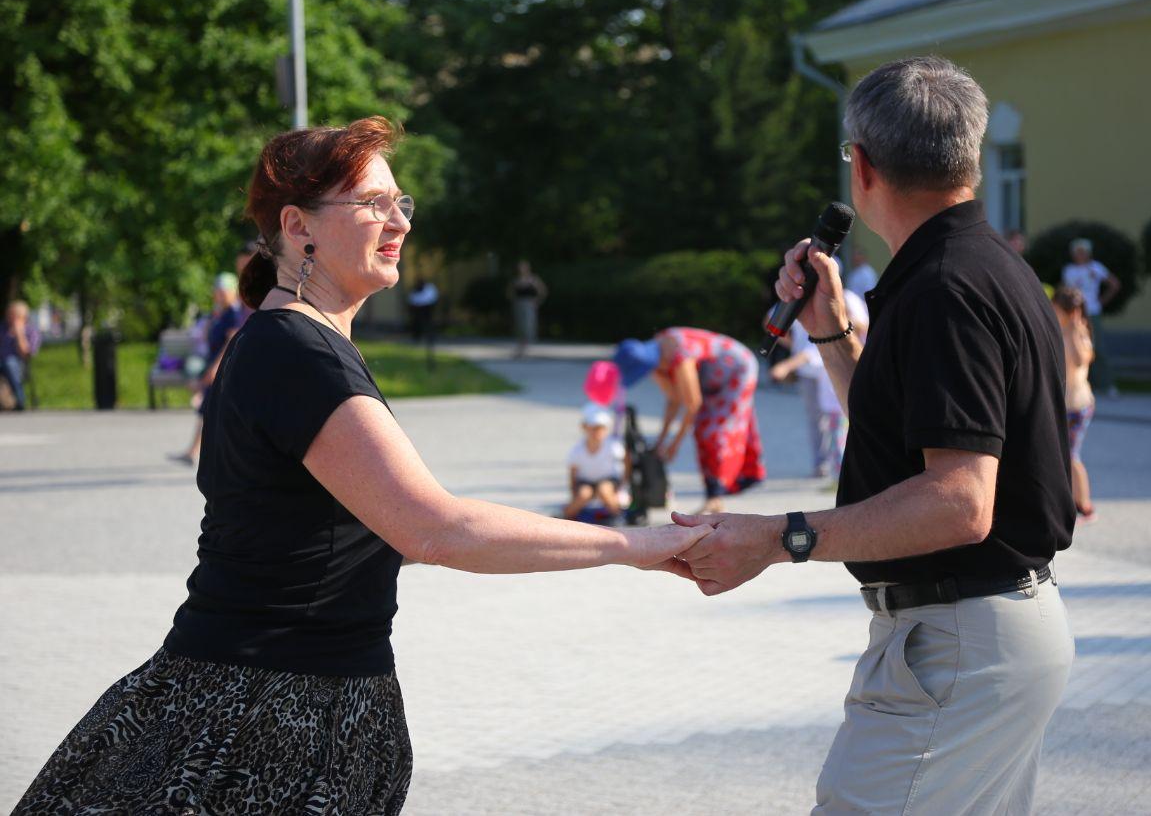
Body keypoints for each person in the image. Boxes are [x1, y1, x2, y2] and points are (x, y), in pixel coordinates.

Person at [16, 117, 709, 814]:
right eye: (372, 202)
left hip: (266, 696)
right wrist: (639, 544)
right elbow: (437, 530)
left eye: (400, 202)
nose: (398, 220)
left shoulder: (289, 340)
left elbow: (340, 536)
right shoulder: (298, 352)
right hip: (266, 715)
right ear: (299, 225)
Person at [671, 56, 1076, 815]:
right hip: (988, 633)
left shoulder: (944, 290)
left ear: (861, 167)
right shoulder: (985, 269)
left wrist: (779, 536)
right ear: (972, 158)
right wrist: (831, 334)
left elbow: (959, 502)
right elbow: (910, 445)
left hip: (959, 637)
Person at [614, 328, 765, 514]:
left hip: (737, 370)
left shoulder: (678, 353)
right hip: (711, 380)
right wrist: (661, 441)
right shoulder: (656, 357)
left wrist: (674, 444)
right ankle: (713, 497)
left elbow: (693, 404)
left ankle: (718, 495)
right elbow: (674, 399)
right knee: (702, 429)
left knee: (714, 431)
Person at [769, 291, 869, 478]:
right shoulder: (799, 296)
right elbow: (772, 322)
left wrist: (840, 322)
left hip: (834, 364)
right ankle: (827, 465)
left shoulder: (847, 298)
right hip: (810, 368)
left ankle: (845, 469)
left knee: (843, 421)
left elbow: (864, 326)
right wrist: (791, 346)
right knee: (818, 419)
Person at [169, 273, 246, 466]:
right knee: (210, 411)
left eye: (221, 291)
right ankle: (195, 452)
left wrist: (215, 367)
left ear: (231, 291)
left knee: (217, 412)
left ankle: (203, 454)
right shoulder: (221, 313)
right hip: (215, 365)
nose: (217, 295)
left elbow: (230, 342)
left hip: (224, 368)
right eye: (216, 291)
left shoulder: (234, 313)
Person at [1054, 286, 1097, 522]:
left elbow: (1082, 360)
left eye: (1057, 310)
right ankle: (1069, 501)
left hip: (1079, 405)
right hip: (1064, 403)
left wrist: (1073, 330)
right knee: (1063, 455)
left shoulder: (1081, 333)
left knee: (1071, 455)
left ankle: (1085, 504)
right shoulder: (1057, 330)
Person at [1062, 237, 1120, 396]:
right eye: (1077, 252)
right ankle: (1085, 384)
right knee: (1076, 348)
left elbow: (1114, 284)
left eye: (1083, 252)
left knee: (1098, 348)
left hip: (1092, 312)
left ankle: (1107, 385)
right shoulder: (1069, 270)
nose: (1080, 255)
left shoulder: (1095, 268)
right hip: (1074, 315)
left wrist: (1101, 301)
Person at [564, 404, 626, 520]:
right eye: (593, 428)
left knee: (604, 489)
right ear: (584, 427)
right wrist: (573, 495)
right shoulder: (577, 450)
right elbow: (573, 473)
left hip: (608, 480)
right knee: (584, 494)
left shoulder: (613, 446)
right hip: (585, 481)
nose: (597, 432)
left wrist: (621, 487)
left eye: (600, 428)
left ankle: (618, 515)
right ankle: (566, 518)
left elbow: (625, 463)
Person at [0, 300, 40, 411]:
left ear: (23, 317)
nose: (10, 319)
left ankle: (20, 399)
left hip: (20, 363)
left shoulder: (31, 331)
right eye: (9, 315)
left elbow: (25, 353)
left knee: (9, 363)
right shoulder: (2, 329)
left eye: (14, 316)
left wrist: (19, 333)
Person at [508, 260, 547, 358]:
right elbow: (509, 292)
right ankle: (521, 345)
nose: (522, 269)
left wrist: (537, 301)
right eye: (520, 267)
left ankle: (526, 345)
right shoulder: (516, 280)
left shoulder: (533, 279)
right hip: (518, 304)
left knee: (528, 324)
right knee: (519, 324)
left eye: (524, 267)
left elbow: (543, 291)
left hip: (529, 304)